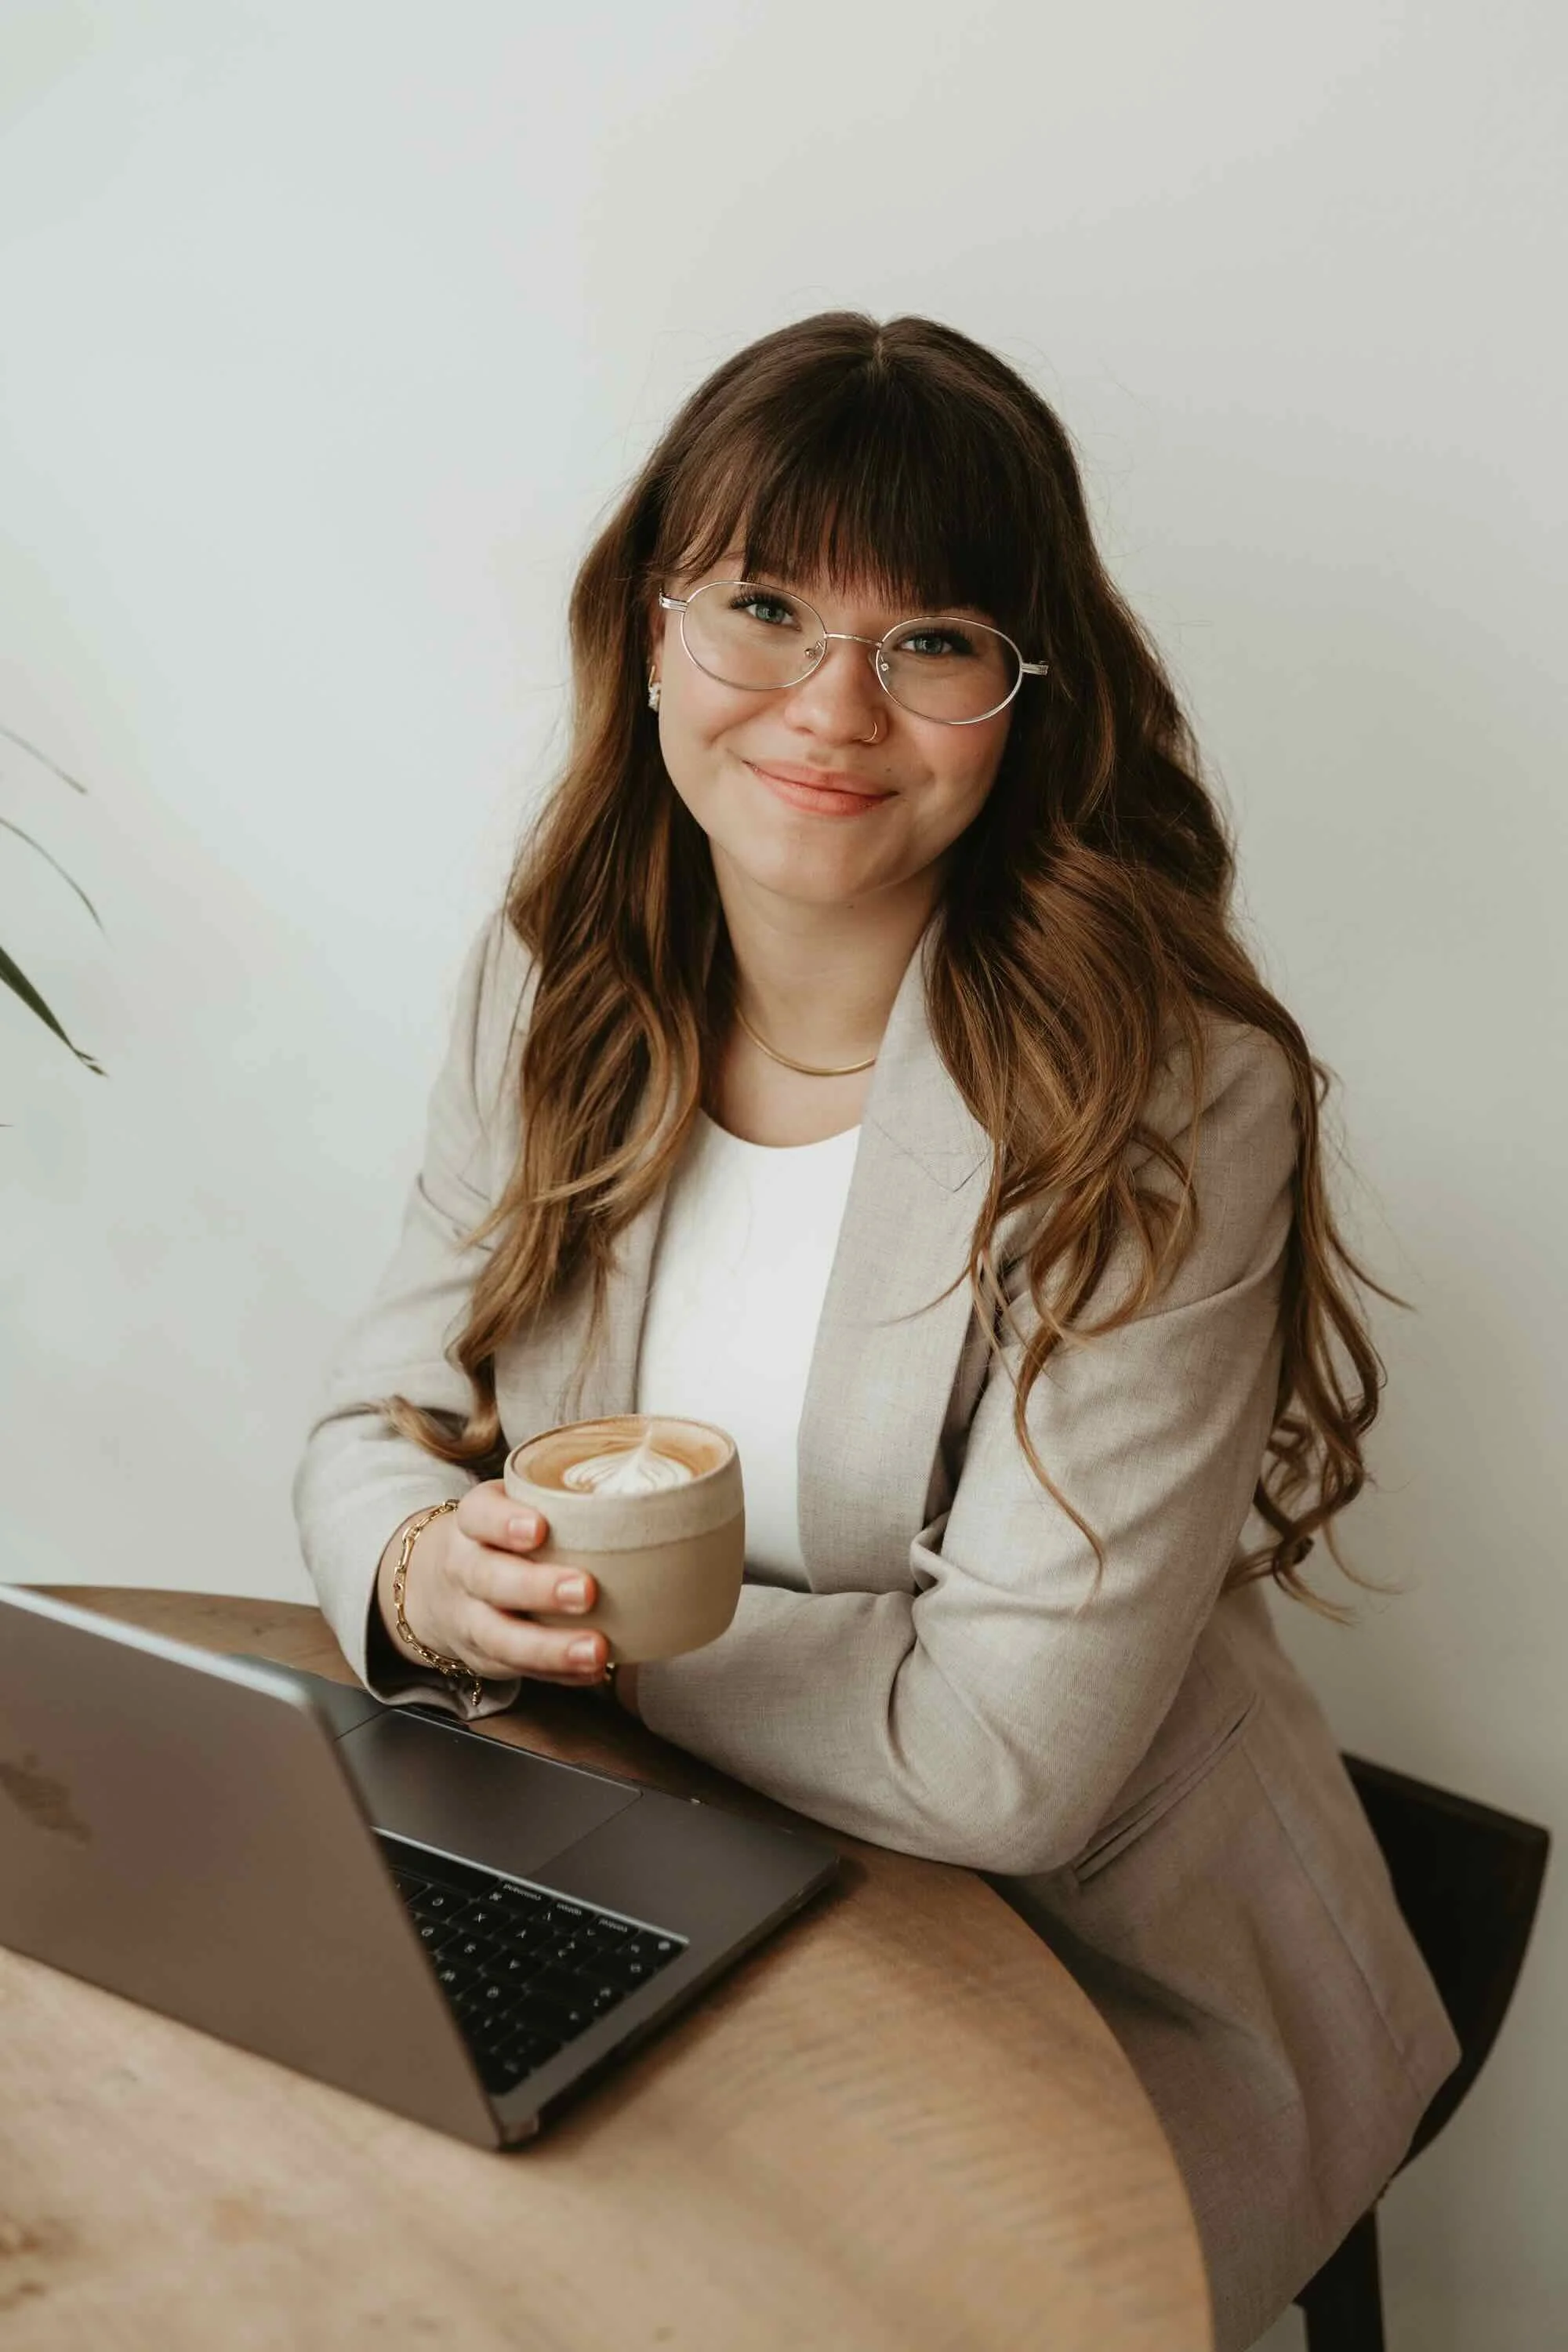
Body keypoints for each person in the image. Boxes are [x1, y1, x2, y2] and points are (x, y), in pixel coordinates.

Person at [293, 311, 1458, 2351]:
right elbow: (373, 1425)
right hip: (666, 1881)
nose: (833, 703)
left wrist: (570, 1644)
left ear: (1022, 698)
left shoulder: (1162, 1099)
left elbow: (1005, 1761)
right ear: (652, 629)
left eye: (929, 640)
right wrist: (416, 1568)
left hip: (1095, 1975)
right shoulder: (552, 984)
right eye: (761, 606)